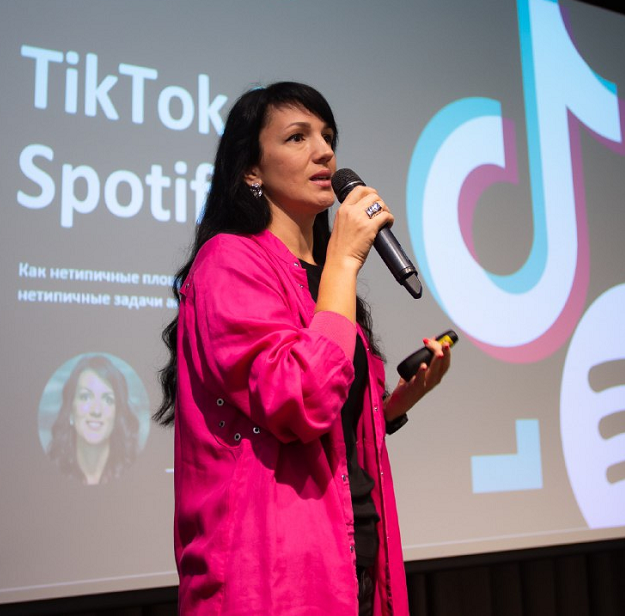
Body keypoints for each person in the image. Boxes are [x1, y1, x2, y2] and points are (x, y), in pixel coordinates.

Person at [154, 82, 451, 615]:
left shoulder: (323, 274)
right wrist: (344, 260)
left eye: (328, 136)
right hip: (274, 575)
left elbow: (328, 427)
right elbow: (300, 397)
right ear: (251, 169)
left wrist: (395, 405)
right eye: (297, 137)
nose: (324, 152)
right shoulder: (229, 261)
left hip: (354, 557)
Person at [49, 354, 140, 484]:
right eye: (85, 397)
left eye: (108, 399)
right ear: (71, 411)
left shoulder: (137, 474)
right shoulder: (48, 474)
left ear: (117, 414)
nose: (96, 410)